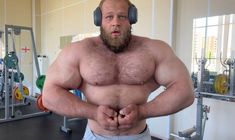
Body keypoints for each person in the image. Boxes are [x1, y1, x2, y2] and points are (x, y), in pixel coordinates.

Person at [42, 0, 194, 139]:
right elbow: (49, 95)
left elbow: (185, 91)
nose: (116, 23)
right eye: (109, 17)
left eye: (122, 16)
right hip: (96, 136)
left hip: (138, 136)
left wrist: (143, 112)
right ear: (98, 20)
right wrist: (93, 113)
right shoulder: (78, 51)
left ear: (132, 19)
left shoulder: (155, 50)